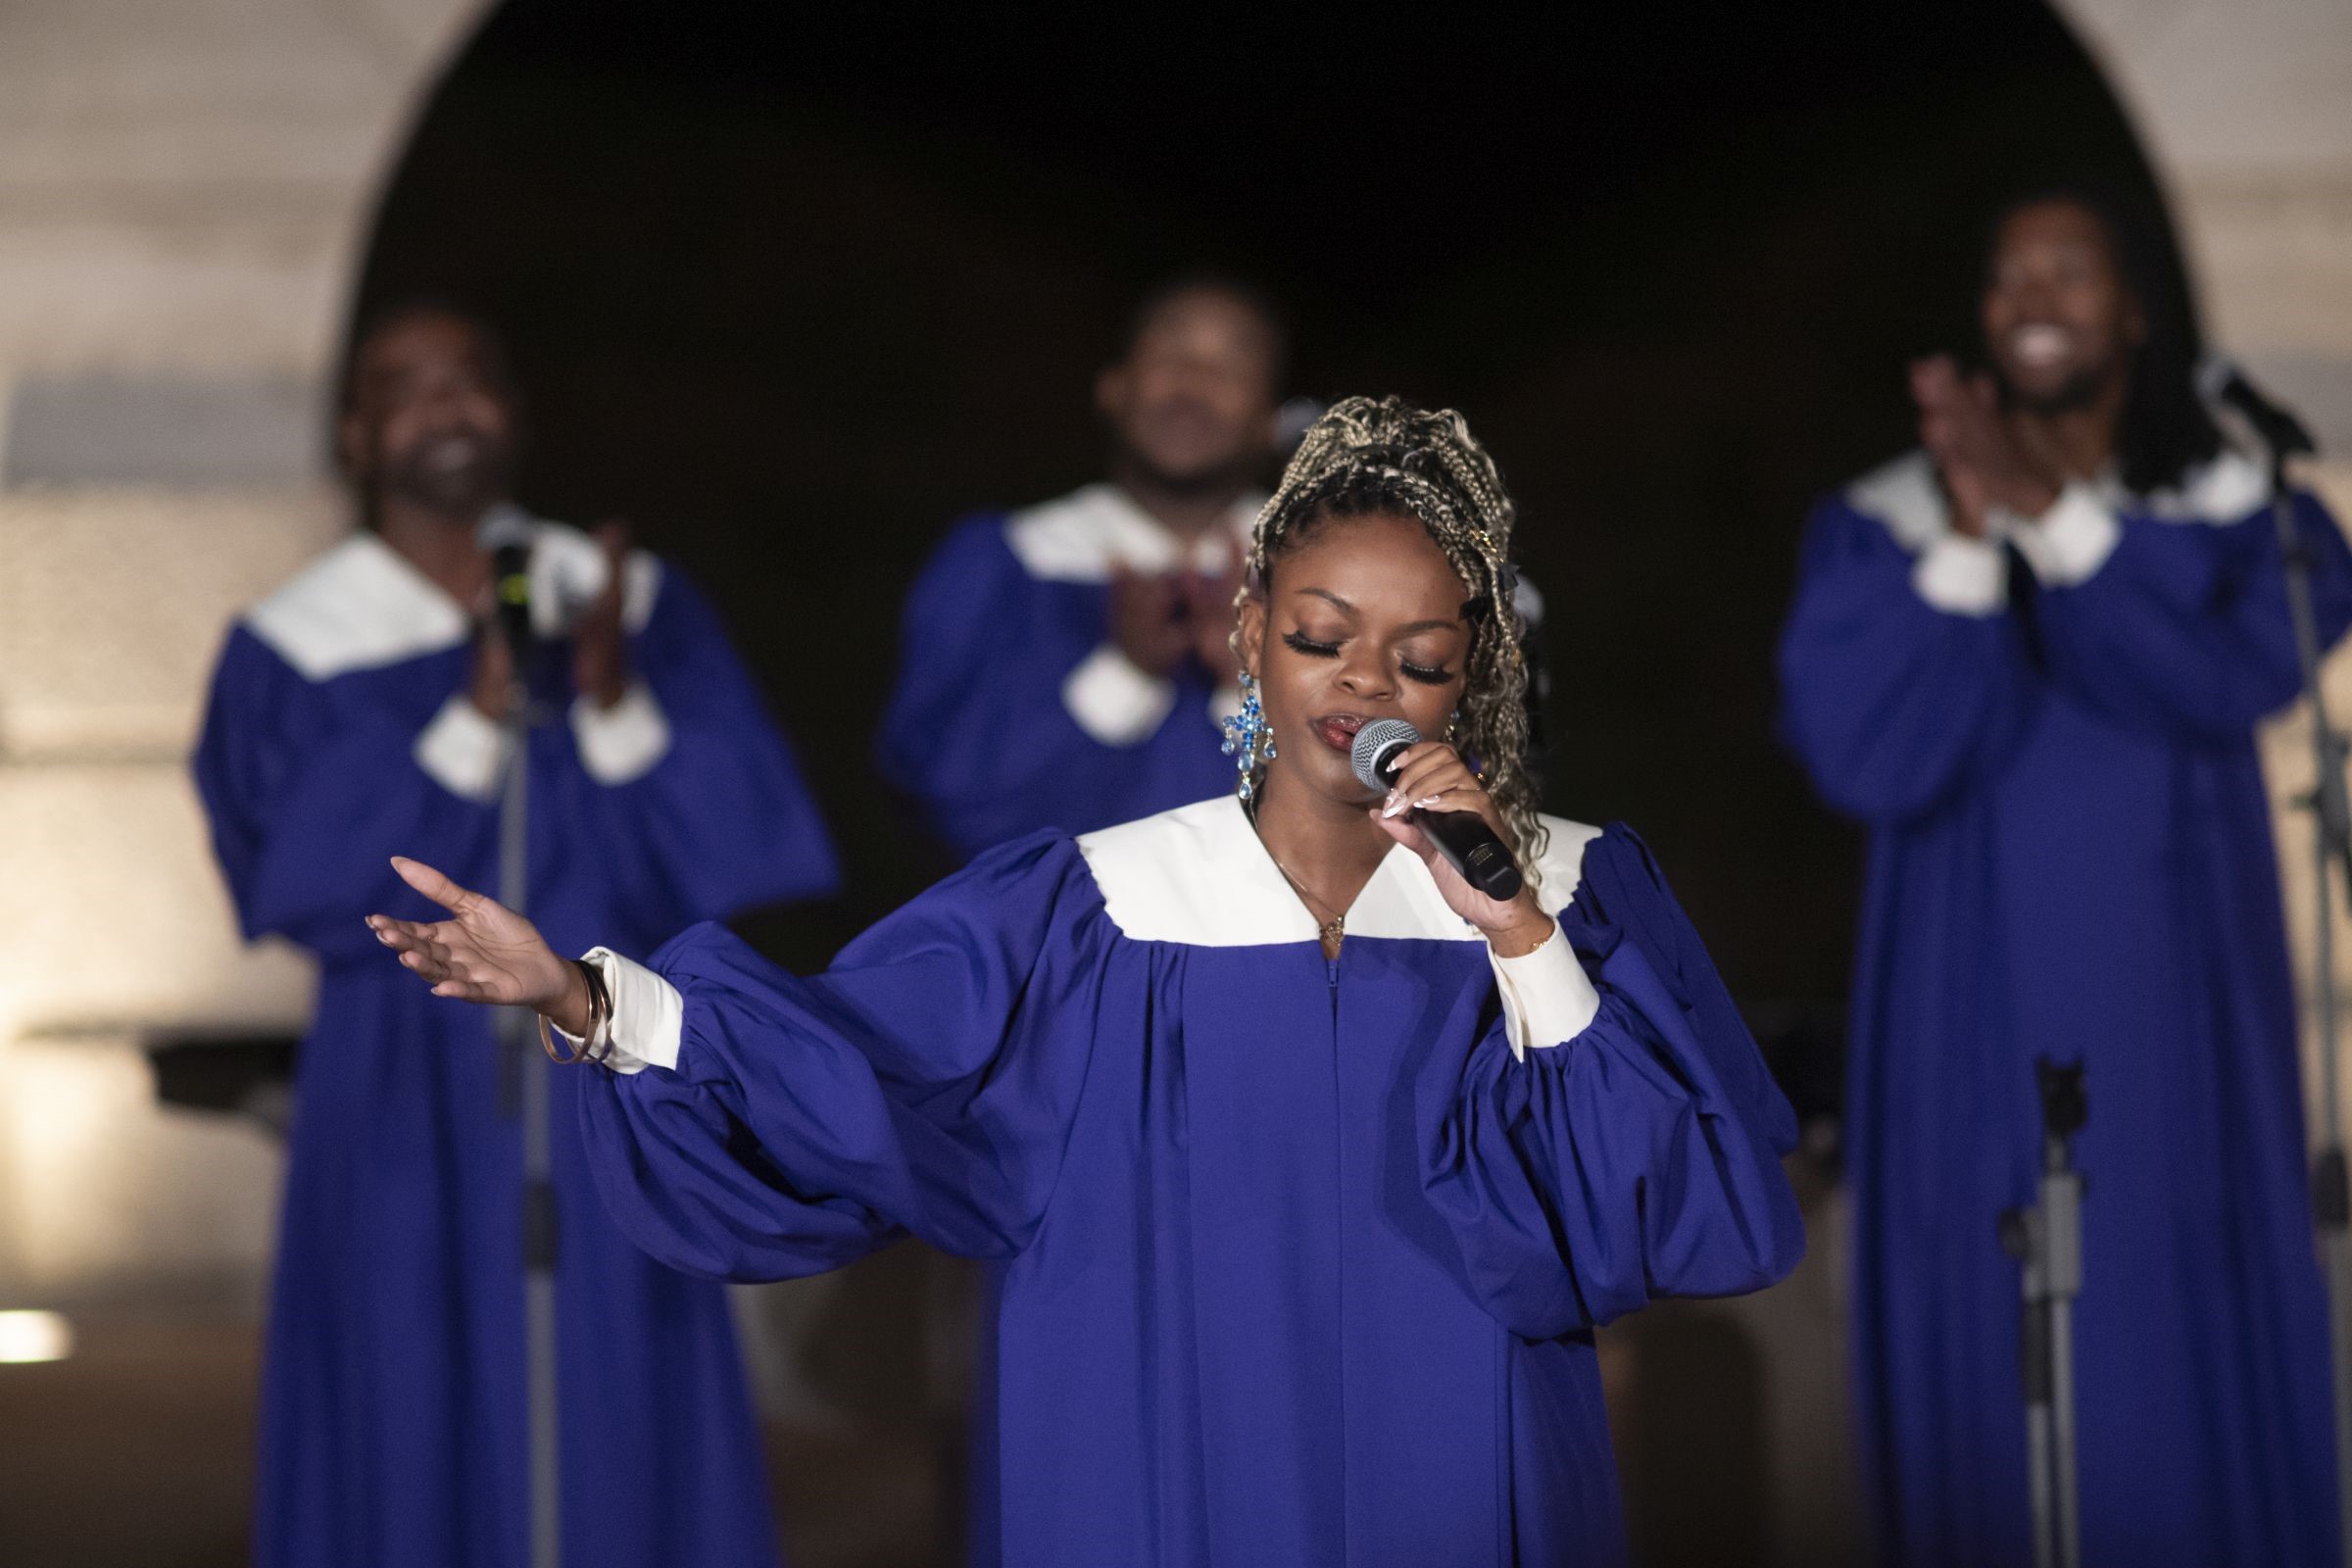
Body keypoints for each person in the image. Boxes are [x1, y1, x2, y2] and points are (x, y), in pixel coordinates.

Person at [368, 396, 1806, 1565]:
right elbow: (858, 1059)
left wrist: (1518, 938)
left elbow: (1696, 1211)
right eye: (1318, 638)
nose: (1362, 685)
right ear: (1249, 637)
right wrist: (588, 998)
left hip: (1468, 1486)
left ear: (1470, 677)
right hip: (1164, 1476)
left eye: (1417, 660)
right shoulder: (1095, 905)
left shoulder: (1566, 884)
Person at [193, 301, 838, 1568]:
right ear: (357, 432)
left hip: (603, 1046)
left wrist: (609, 703)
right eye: (407, 386)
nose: (447, 405)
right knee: (403, 1386)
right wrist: (474, 716)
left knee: (614, 1387)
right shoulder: (292, 641)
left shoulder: (625, 601)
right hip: (396, 1078)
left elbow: (742, 843)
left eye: (471, 379)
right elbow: (290, 880)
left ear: (515, 410)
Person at [1779, 189, 2352, 1567]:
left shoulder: (2234, 518)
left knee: (2165, 1339)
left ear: (2136, 311)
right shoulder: (1889, 527)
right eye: (2007, 273)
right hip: (1966, 1039)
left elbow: (2231, 668)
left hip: (2176, 1041)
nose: (2035, 295)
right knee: (1995, 1336)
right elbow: (1866, 752)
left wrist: (2059, 520)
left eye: (2071, 271)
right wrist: (1980, 541)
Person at [879, 275, 1285, 858]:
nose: (1195, 382)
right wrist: (1125, 675)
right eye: (1172, 353)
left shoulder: (1331, 584)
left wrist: (1253, 686)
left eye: (1232, 363)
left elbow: (1382, 827)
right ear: (1113, 389)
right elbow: (944, 803)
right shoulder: (1015, 560)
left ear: (1269, 419)